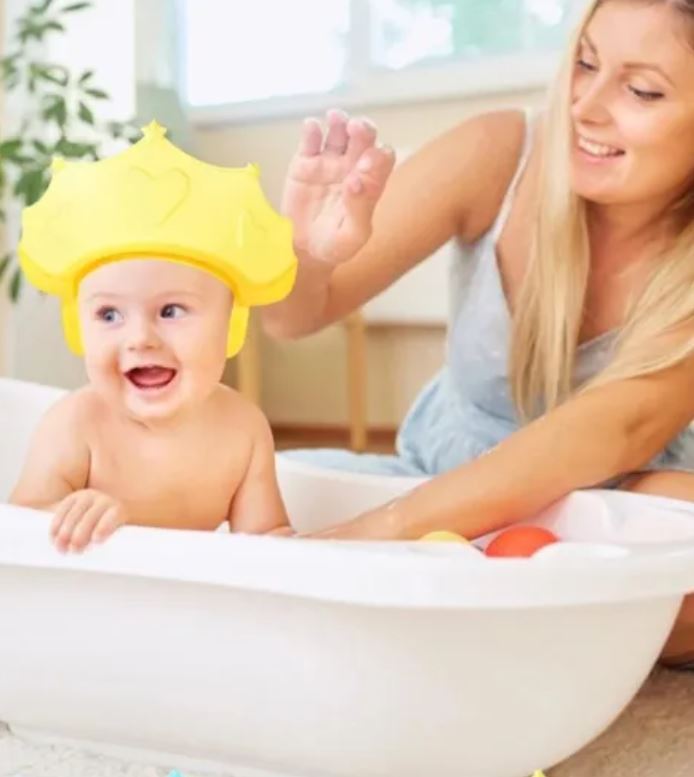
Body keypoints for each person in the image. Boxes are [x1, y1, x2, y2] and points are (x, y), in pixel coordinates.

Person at [264, 0, 694, 666]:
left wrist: (380, 534)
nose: (586, 105)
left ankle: (473, 612)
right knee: (236, 492)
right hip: (436, 484)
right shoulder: (498, 151)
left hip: (611, 516)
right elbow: (291, 319)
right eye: (585, 63)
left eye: (640, 90)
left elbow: (620, 427)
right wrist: (309, 252)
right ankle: (511, 621)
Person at [10, 122, 296, 550]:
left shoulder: (243, 430)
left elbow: (267, 542)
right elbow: (15, 530)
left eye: (171, 310)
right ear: (78, 327)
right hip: (84, 604)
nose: (140, 338)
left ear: (230, 324)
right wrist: (71, 513)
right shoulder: (75, 425)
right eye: (109, 314)